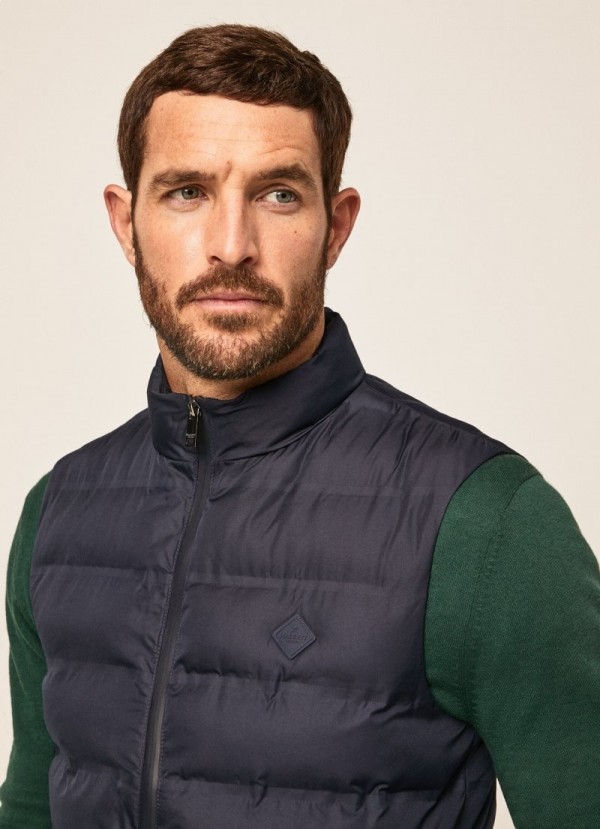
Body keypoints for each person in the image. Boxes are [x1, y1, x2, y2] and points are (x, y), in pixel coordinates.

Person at [0, 23, 598, 829]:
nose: (230, 246)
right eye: (187, 191)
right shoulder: (60, 514)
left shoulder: (487, 523)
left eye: (278, 193)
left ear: (336, 225)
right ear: (125, 221)